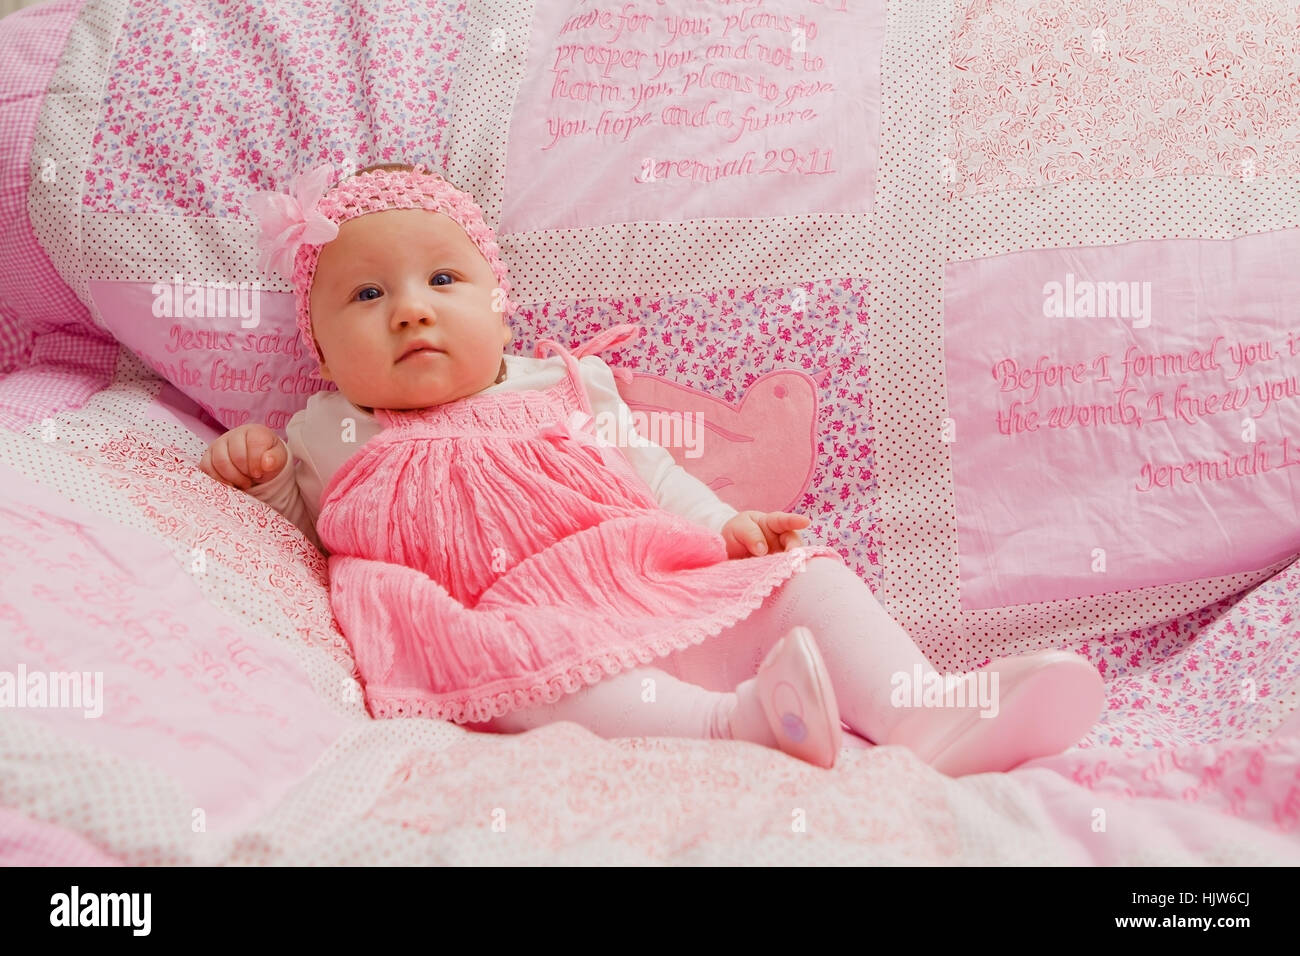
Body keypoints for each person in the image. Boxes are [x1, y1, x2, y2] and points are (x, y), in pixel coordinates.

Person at [198, 160, 1105, 775]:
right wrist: (267, 479)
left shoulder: (565, 386)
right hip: (508, 622)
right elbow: (310, 529)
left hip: (638, 572)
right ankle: (735, 727)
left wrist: (725, 530)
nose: (410, 313)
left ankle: (925, 711)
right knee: (558, 677)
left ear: (500, 309)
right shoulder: (330, 429)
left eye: (442, 282)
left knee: (801, 580)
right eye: (367, 294)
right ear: (319, 349)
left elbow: (652, 479)